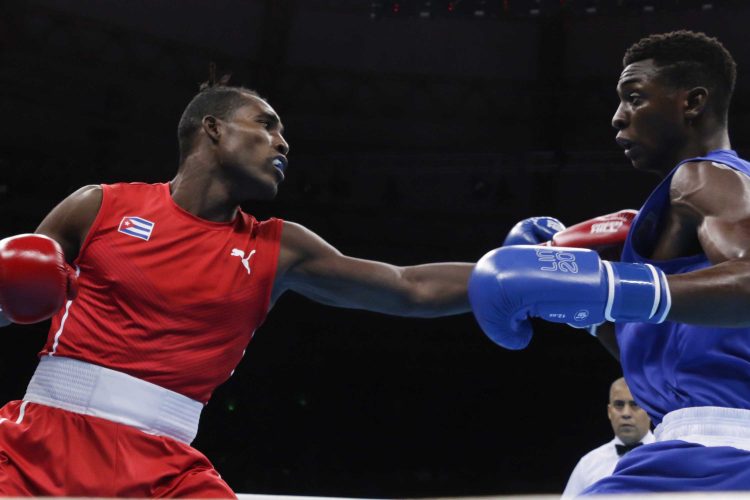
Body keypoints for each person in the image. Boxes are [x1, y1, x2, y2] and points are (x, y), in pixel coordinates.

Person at [0, 83, 486, 497]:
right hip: (36, 445)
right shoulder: (99, 207)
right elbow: (8, 298)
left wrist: (505, 270)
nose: (283, 144)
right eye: (267, 125)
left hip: (164, 468)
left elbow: (409, 287)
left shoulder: (280, 247)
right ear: (213, 128)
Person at [470, 30, 750, 492]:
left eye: (634, 98)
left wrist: (607, 286)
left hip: (716, 455)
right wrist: (591, 313)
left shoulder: (705, 179)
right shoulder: (685, 218)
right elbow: (669, 362)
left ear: (693, 101)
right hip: (697, 447)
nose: (618, 118)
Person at [561, 377, 653, 498]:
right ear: (609, 411)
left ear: (650, 410)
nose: (626, 413)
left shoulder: (668, 457)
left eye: (634, 404)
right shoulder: (588, 464)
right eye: (619, 405)